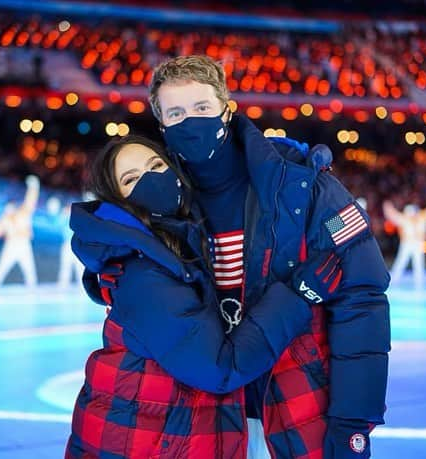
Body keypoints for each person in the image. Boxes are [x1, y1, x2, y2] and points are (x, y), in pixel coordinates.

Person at [143, 55, 391, 458]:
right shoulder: (162, 205)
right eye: (176, 113)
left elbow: (362, 300)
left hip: (300, 406)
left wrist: (351, 423)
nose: (191, 122)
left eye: (202, 108)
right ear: (163, 127)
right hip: (204, 418)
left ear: (227, 109)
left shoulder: (302, 186)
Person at [66, 136, 341, 458]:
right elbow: (218, 368)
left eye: (156, 166)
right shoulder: (142, 274)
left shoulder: (177, 241)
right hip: (138, 442)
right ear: (118, 201)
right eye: (131, 179)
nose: (151, 179)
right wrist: (298, 295)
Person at [0, 175, 40, 290]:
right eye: (7, 208)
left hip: (23, 245)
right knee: (2, 267)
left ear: (14, 207)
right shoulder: (5, 218)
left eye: (10, 207)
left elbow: (30, 201)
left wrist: (34, 187)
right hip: (11, 245)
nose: (8, 210)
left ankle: (32, 290)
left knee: (29, 269)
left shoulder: (23, 213)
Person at [383, 197, 426, 289]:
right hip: (407, 244)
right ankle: (395, 280)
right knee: (401, 262)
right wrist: (387, 207)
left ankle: (419, 282)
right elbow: (393, 215)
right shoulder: (406, 219)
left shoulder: (422, 217)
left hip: (418, 244)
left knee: (418, 264)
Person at [47, 196, 85, 291]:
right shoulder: (63, 217)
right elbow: (56, 224)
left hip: (78, 244)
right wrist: (63, 215)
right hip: (67, 245)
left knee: (79, 266)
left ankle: (83, 287)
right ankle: (63, 286)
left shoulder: (79, 217)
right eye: (69, 206)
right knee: (65, 266)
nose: (70, 208)